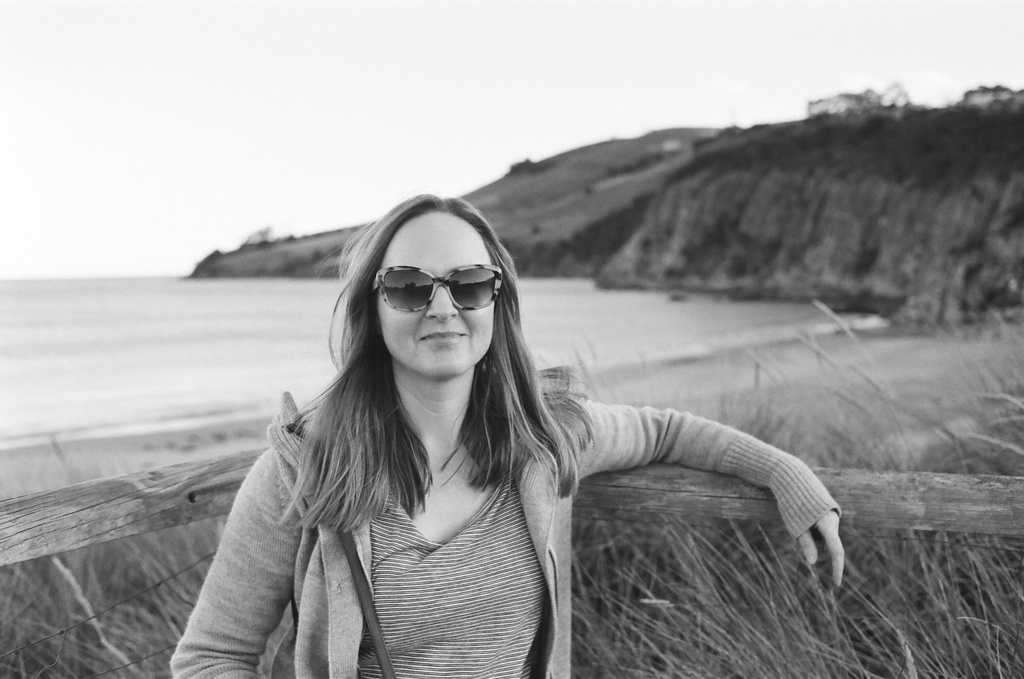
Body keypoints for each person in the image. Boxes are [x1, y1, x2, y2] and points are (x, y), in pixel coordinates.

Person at [171, 194, 843, 679]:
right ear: (373, 308)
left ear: (497, 301)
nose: (442, 307)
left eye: (468, 284)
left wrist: (785, 474)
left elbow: (663, 431)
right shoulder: (304, 469)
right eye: (408, 287)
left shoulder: (544, 439)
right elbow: (210, 656)